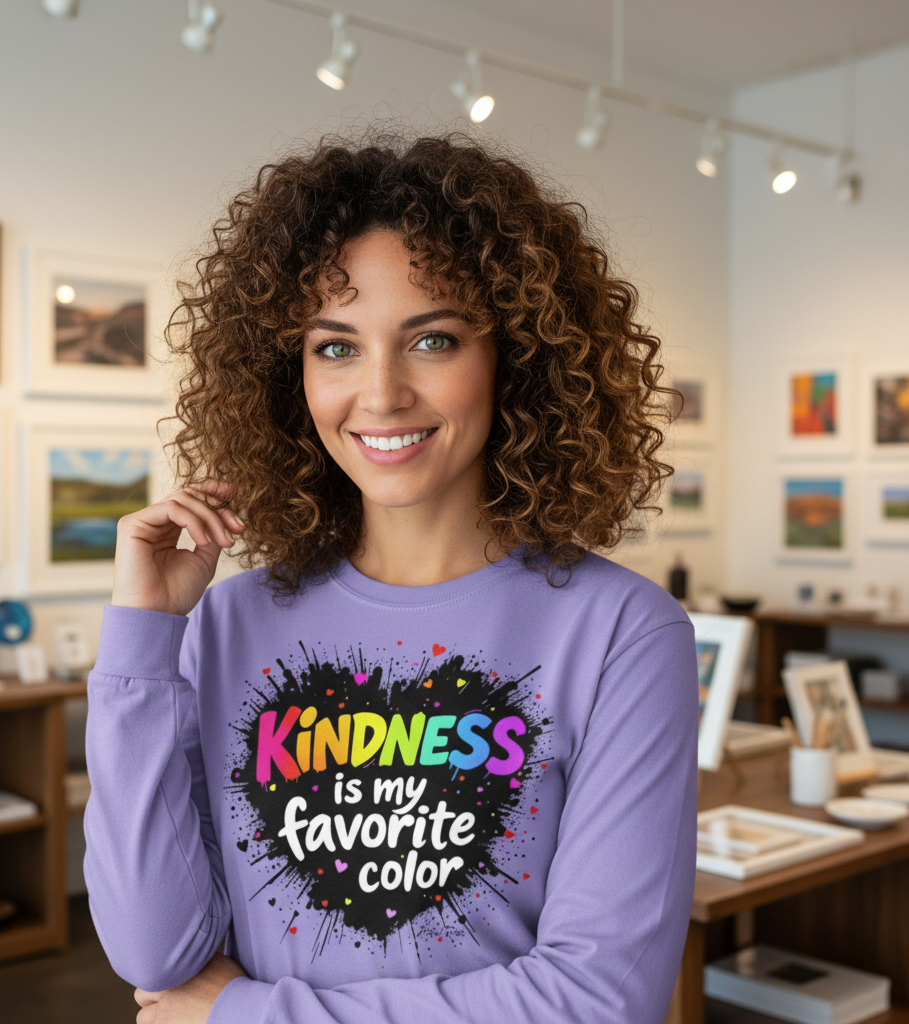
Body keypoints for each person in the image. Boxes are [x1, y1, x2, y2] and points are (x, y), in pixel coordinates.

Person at [84, 130, 698, 1024]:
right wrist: (142, 639)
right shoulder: (227, 622)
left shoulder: (621, 633)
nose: (379, 394)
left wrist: (245, 1015)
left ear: (516, 359)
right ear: (288, 373)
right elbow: (154, 953)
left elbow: (597, 1001)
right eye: (334, 347)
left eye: (433, 339)